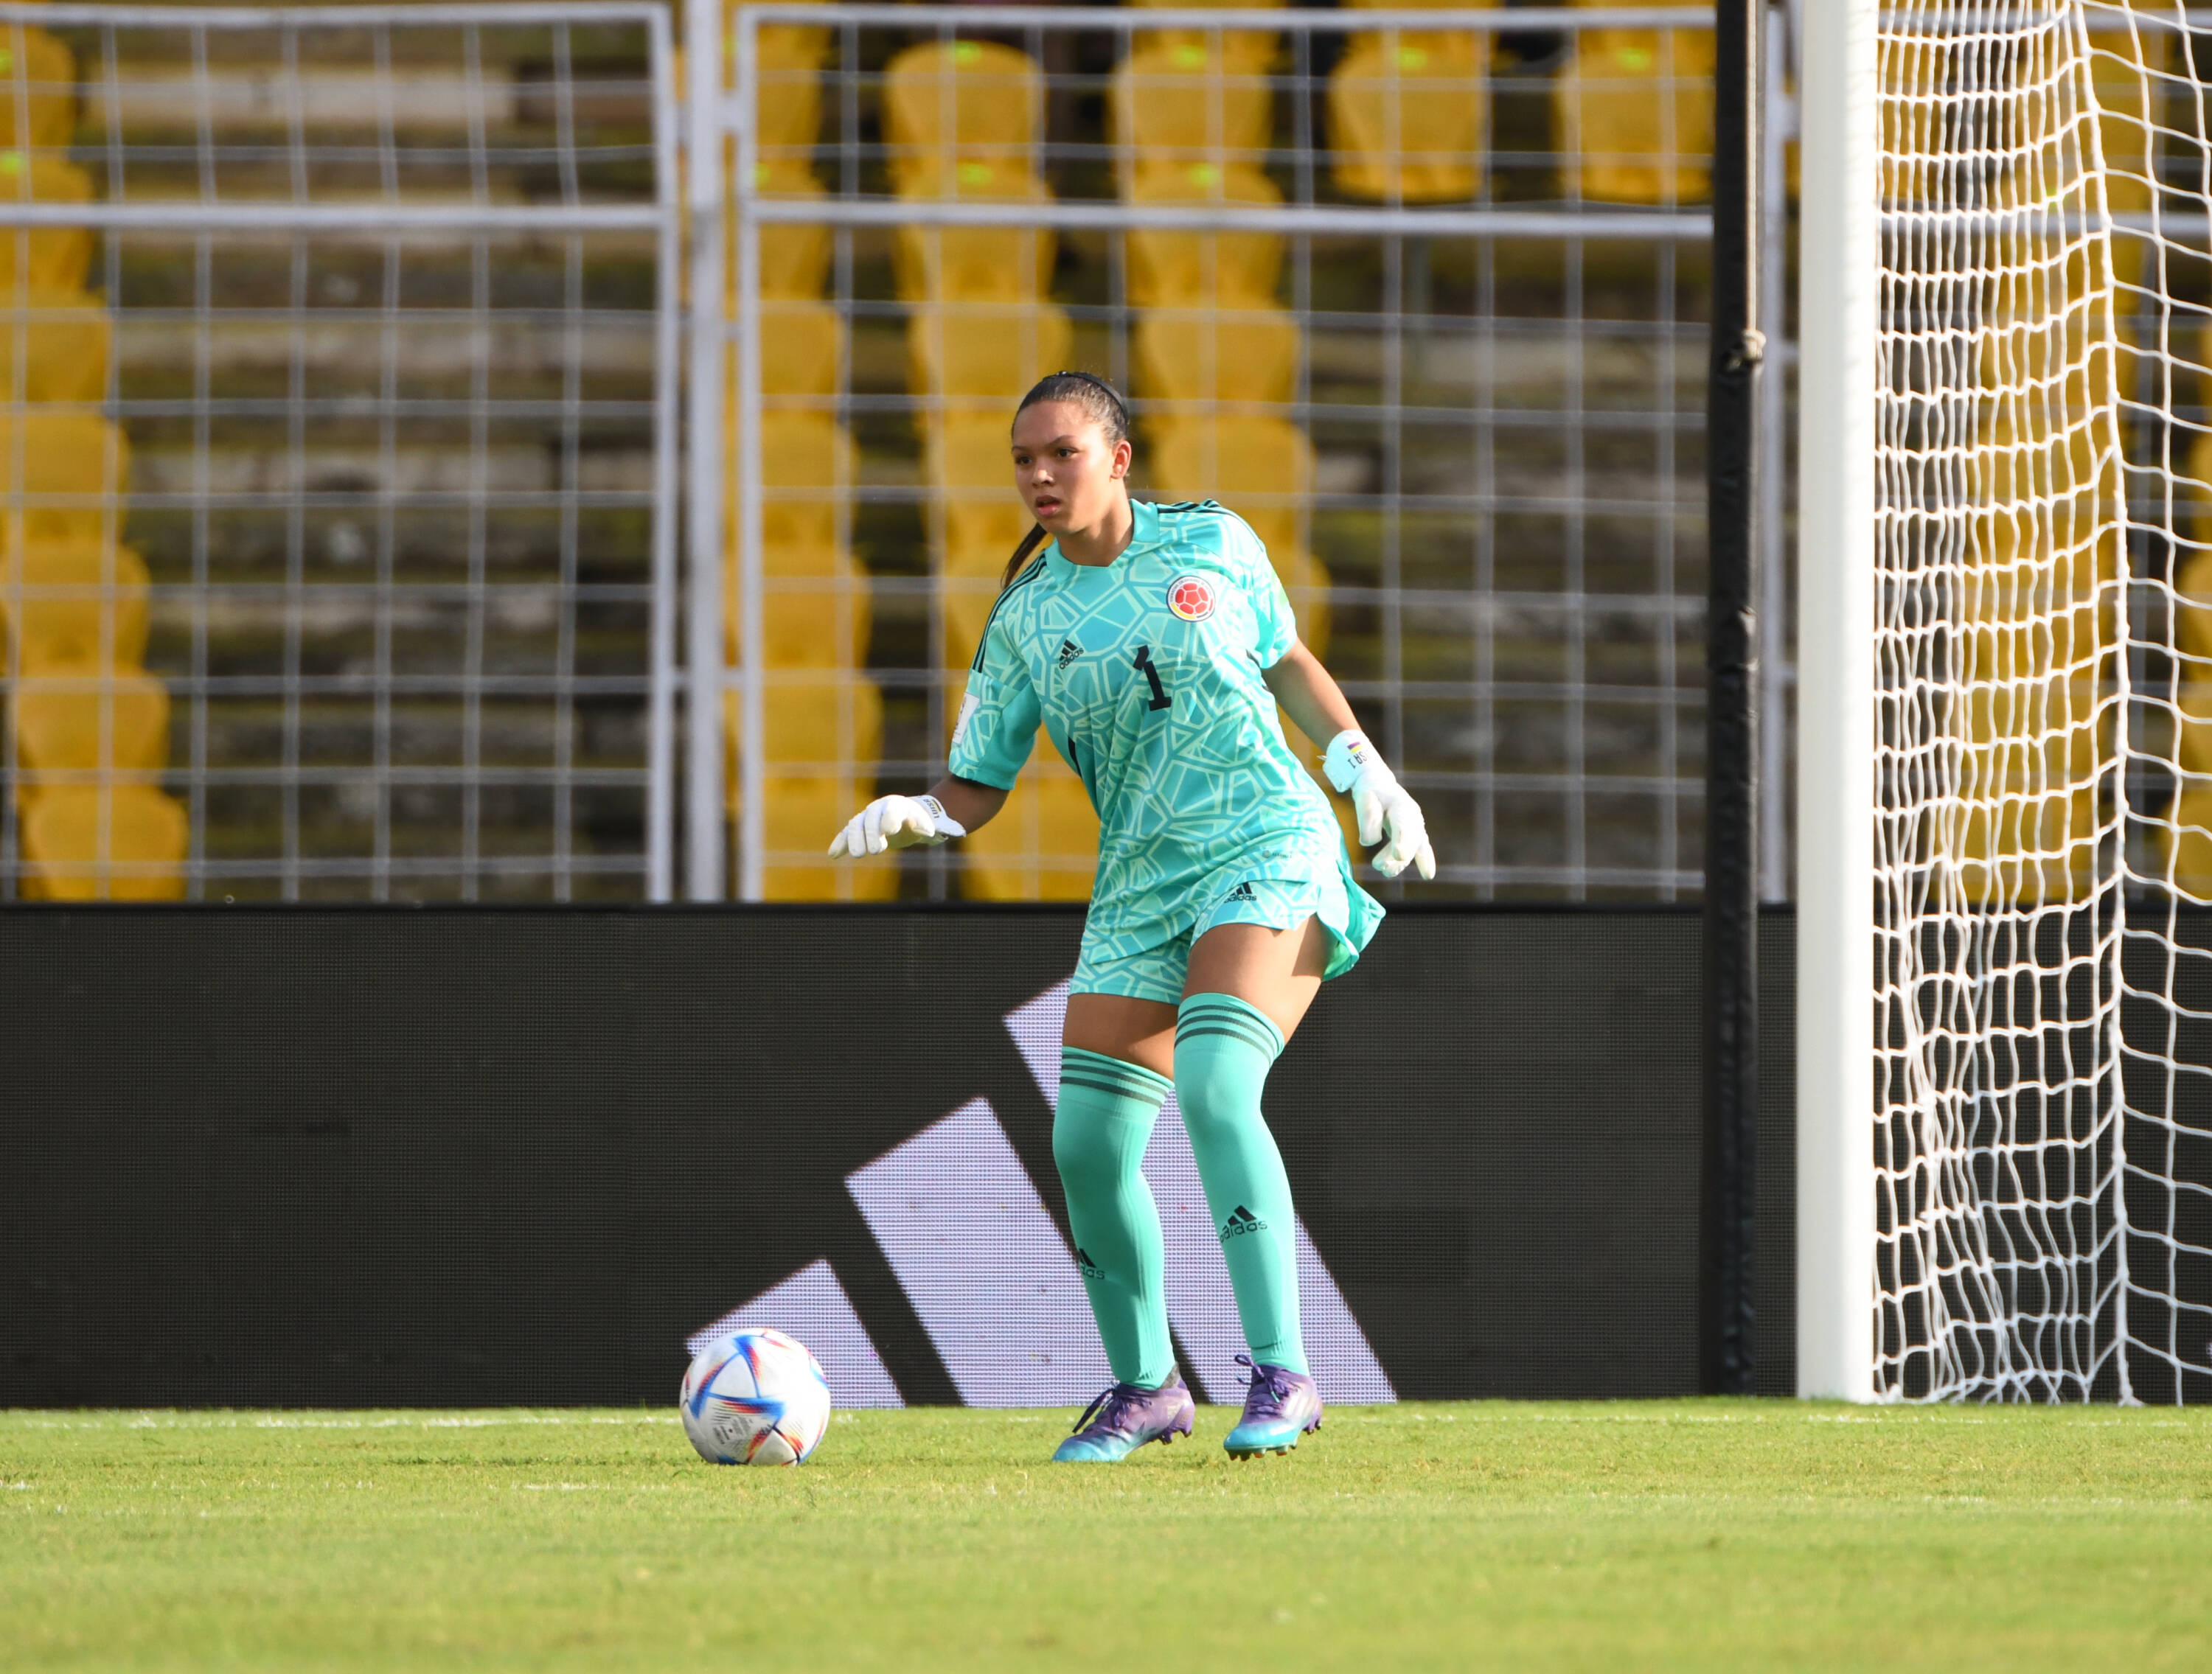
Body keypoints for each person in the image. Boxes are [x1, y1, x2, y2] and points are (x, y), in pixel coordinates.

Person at [830, 372, 1434, 1461]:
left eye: (1060, 452)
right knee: (1089, 1146)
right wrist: (922, 810)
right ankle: (1146, 1387)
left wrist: (1361, 768)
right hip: (1141, 883)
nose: (1039, 476)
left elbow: (1287, 657)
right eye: (1022, 459)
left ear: (1116, 454)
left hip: (1264, 839)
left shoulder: (1213, 542)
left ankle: (1285, 1374)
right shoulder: (1023, 619)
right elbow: (979, 780)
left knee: (1215, 1084)